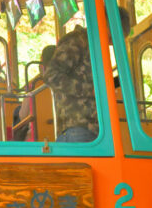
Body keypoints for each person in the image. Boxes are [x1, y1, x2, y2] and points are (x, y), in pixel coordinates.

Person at [45, 8, 130, 143]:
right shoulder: (77, 41)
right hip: (78, 126)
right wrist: (90, 90)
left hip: (98, 128)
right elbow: (52, 75)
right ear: (105, 23)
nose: (111, 43)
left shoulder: (97, 48)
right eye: (111, 38)